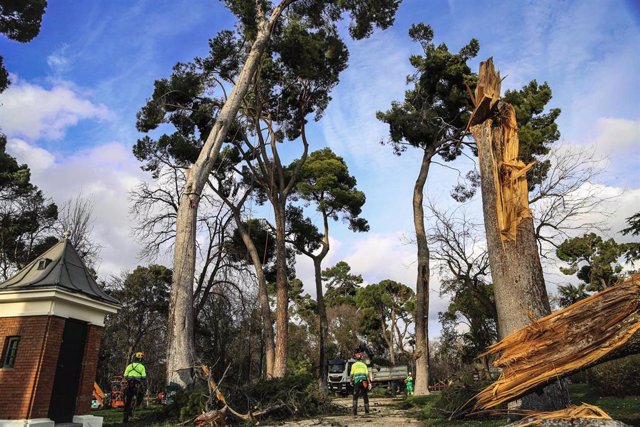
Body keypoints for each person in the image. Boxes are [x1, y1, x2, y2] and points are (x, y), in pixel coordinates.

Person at [123, 352, 147, 422]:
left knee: (127, 401)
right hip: (137, 384)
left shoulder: (129, 366)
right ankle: (133, 407)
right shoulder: (142, 367)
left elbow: (125, 375)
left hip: (130, 385)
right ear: (141, 359)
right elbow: (144, 376)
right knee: (140, 396)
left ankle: (125, 417)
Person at [349, 351, 372, 416]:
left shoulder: (354, 365)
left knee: (355, 395)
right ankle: (367, 412)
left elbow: (351, 375)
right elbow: (367, 375)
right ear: (361, 358)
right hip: (364, 382)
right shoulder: (364, 365)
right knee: (365, 395)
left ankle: (355, 412)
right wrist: (369, 383)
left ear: (356, 359)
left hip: (357, 381)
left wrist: (351, 381)